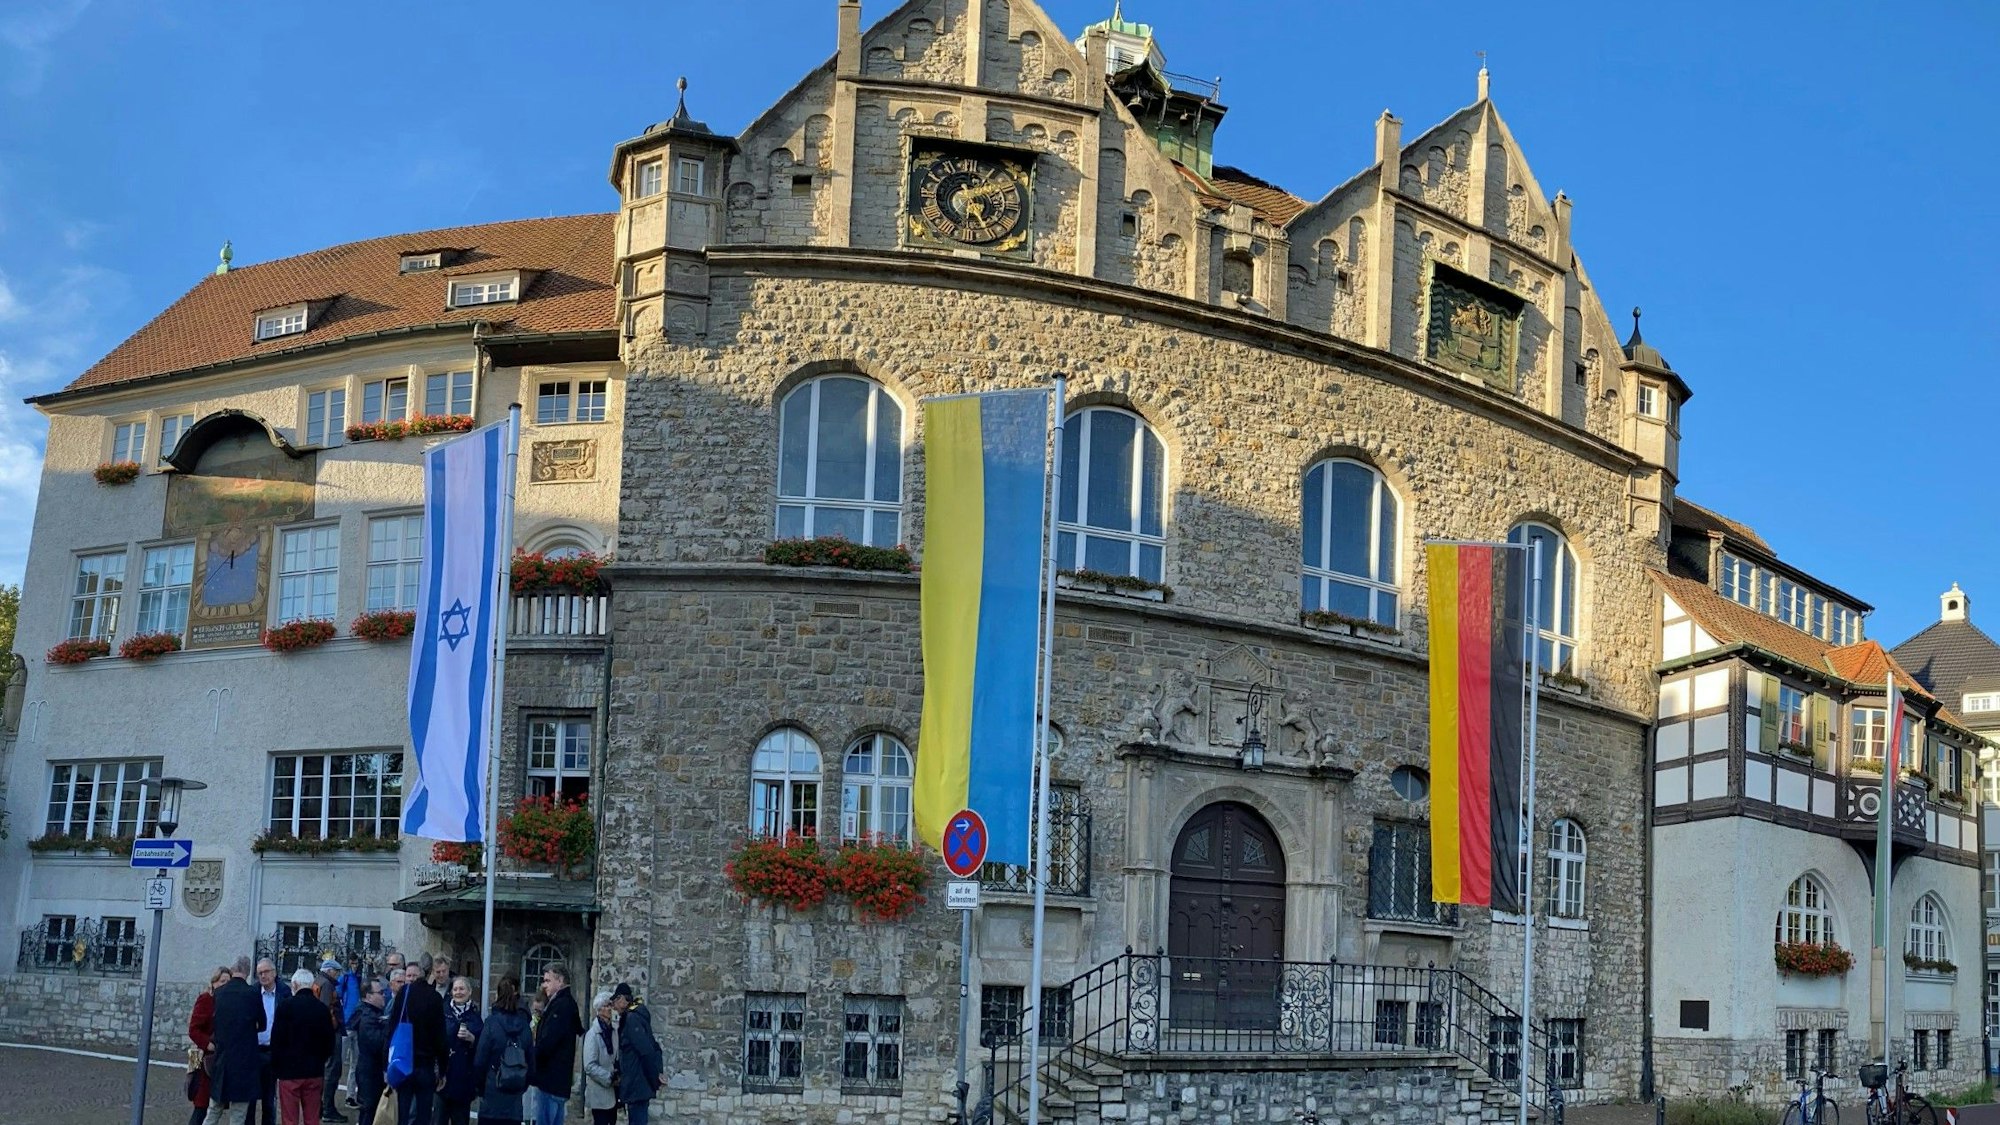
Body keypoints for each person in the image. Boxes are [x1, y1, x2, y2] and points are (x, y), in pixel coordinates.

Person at [387, 954, 447, 1125]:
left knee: (403, 1111)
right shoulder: (435, 997)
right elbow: (440, 1037)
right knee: (423, 1112)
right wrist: (442, 1069)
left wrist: (387, 1061)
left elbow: (392, 1028)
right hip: (425, 1063)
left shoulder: (403, 994)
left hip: (404, 1059)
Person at [272, 968, 336, 1125]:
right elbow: (330, 1041)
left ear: (294, 984)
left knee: (289, 1119)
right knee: (312, 1118)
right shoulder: (321, 1009)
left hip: (289, 1072)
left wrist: (277, 1066)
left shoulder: (285, 1007)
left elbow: (277, 1040)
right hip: (314, 1070)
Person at [209, 956, 268, 1125]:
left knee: (214, 1110)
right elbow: (262, 1024)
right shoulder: (253, 994)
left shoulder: (219, 993)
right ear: (248, 972)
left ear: (233, 969)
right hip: (244, 1061)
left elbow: (215, 1023)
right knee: (238, 1115)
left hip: (223, 1059)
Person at [472, 977, 535, 1125]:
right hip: (514, 1097)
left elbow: (480, 1060)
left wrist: (481, 1088)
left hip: (492, 1092)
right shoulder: (524, 1026)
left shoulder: (491, 1023)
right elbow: (531, 1062)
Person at [529, 963, 584, 1125]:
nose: (544, 985)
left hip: (551, 1080)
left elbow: (548, 1042)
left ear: (560, 981)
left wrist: (532, 1057)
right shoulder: (564, 1003)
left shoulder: (561, 1006)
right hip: (556, 1079)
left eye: (547, 980)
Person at [610, 983, 662, 1125]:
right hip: (638, 1084)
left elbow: (646, 1051)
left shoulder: (632, 1019)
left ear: (621, 999)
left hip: (637, 1084)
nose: (613, 1007)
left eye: (615, 1002)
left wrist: (653, 1079)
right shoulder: (636, 1017)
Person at [188, 965, 233, 1125]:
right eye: (222, 981)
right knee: (201, 1107)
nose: (225, 985)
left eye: (228, 981)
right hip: (204, 1061)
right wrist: (208, 1044)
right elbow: (193, 1029)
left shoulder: (228, 1002)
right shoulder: (206, 1000)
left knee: (215, 1108)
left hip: (220, 1062)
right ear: (214, 983)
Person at [251, 958, 292, 1125]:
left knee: (270, 1099)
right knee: (250, 1096)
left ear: (274, 973)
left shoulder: (284, 993)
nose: (263, 976)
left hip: (273, 1051)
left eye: (266, 972)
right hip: (254, 1051)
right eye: (260, 973)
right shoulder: (252, 992)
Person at [437, 977, 483, 1125]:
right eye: (455, 989)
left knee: (461, 1120)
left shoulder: (475, 1017)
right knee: (438, 1120)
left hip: (463, 1079)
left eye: (462, 989)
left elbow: (482, 1048)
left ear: (469, 992)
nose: (458, 992)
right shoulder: (442, 1012)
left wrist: (472, 1039)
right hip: (443, 1077)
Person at [349, 981, 391, 1125]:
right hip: (370, 1073)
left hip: (372, 1072)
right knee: (369, 1111)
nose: (384, 995)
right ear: (368, 996)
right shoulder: (367, 1017)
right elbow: (377, 1044)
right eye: (380, 993)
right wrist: (387, 1028)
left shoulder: (373, 1014)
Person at [315, 959, 349, 1122]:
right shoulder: (327, 985)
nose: (338, 975)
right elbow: (325, 1009)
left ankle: (321, 1107)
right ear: (329, 971)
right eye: (336, 972)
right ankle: (328, 1109)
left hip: (322, 1035)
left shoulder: (318, 981)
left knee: (325, 1071)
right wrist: (334, 1025)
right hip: (330, 1034)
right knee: (332, 1071)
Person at [580, 991, 618, 1125]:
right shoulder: (592, 1035)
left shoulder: (613, 1031)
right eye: (607, 1005)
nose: (610, 1009)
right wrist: (608, 1077)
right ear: (600, 1009)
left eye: (610, 1005)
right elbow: (589, 1065)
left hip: (613, 1093)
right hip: (599, 1092)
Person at [337, 957, 365, 1112]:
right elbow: (338, 996)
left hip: (358, 1025)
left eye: (357, 962)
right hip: (346, 1025)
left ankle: (350, 1096)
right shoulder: (345, 978)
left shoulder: (360, 979)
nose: (355, 965)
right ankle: (328, 1098)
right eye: (353, 962)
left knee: (355, 1064)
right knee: (338, 1063)